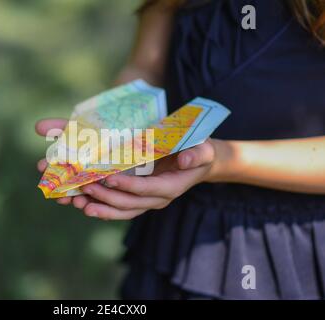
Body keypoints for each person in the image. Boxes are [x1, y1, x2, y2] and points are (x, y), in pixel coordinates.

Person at [35, 0, 325, 299]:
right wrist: (110, 128)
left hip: (292, 250)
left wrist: (220, 161)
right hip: (173, 229)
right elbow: (145, 67)